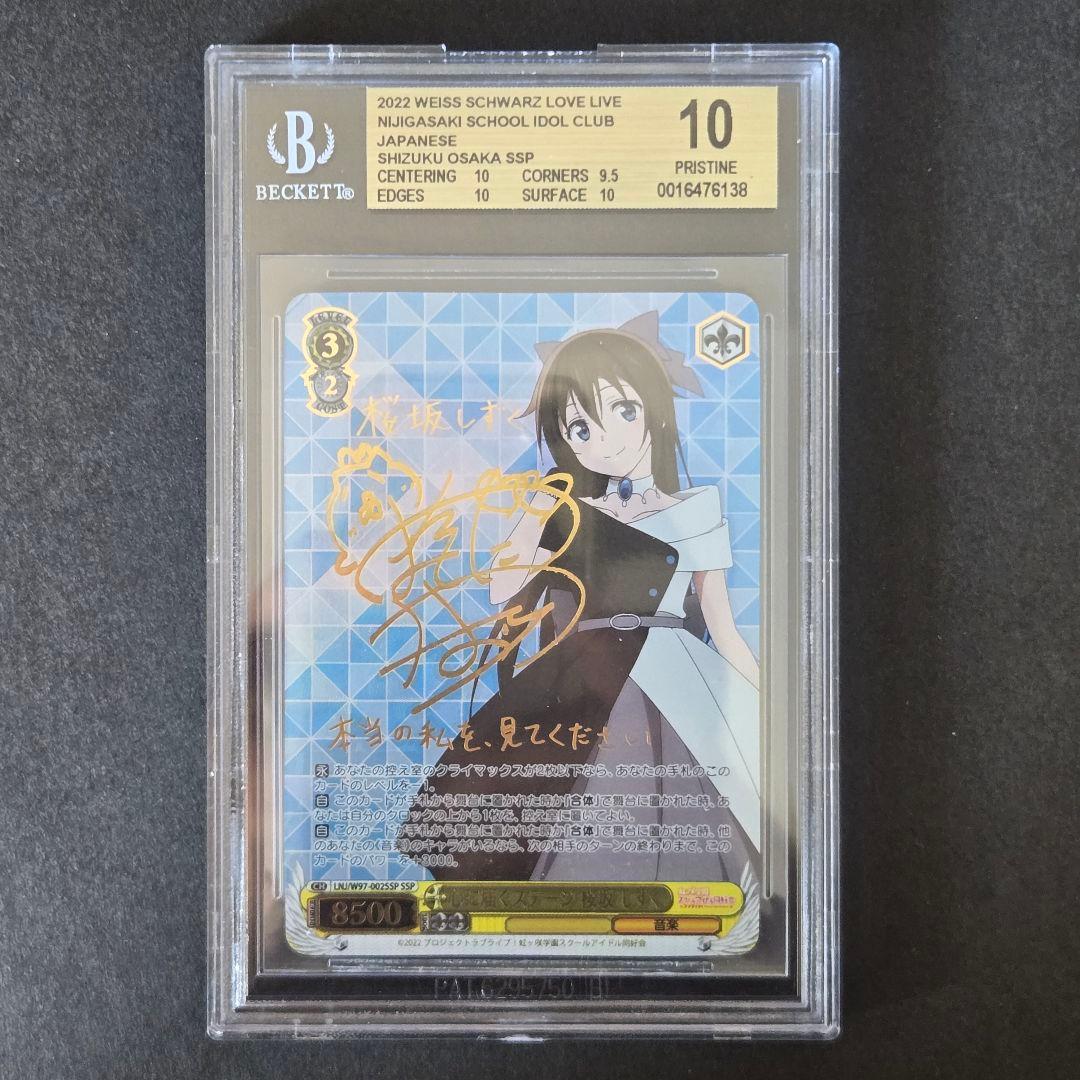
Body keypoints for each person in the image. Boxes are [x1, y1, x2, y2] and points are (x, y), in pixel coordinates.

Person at [396, 312, 761, 886]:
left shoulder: (696, 508)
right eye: (581, 429)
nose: (606, 441)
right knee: (551, 815)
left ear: (655, 411)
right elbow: (501, 588)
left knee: (682, 821)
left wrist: (764, 707)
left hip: (676, 680)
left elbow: (724, 627)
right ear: (563, 439)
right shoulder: (566, 507)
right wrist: (538, 514)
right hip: (579, 674)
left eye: (624, 411)